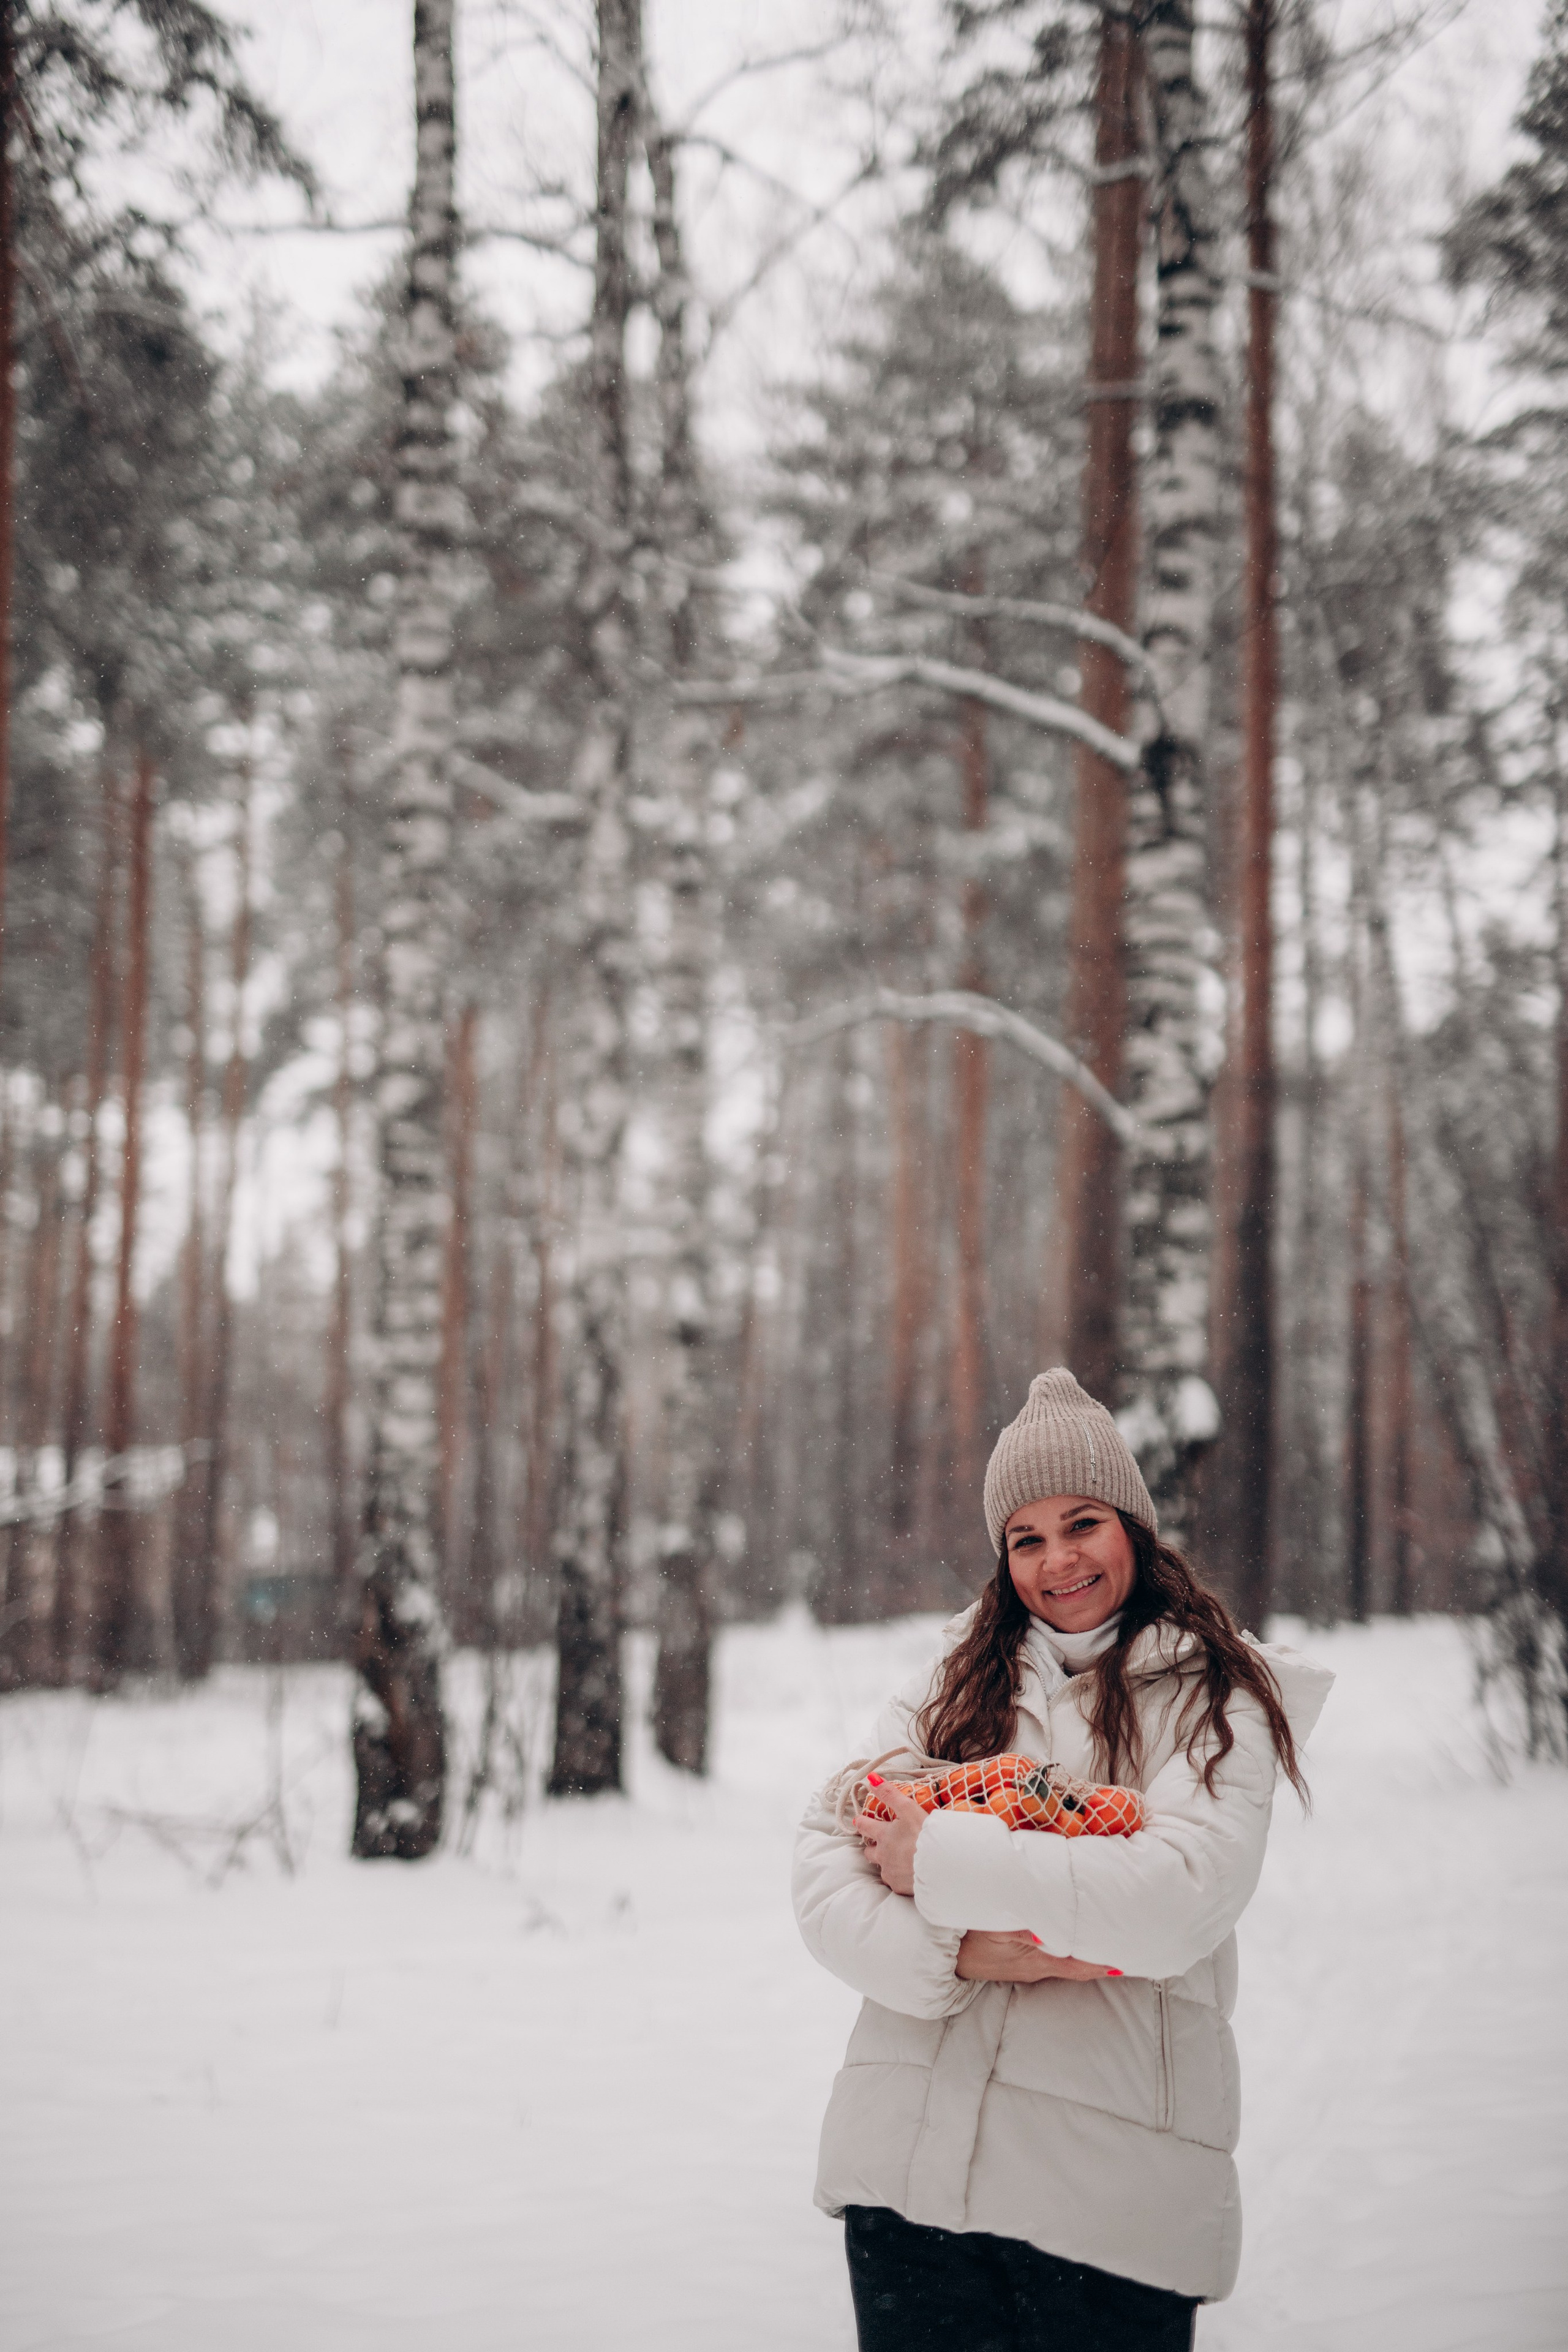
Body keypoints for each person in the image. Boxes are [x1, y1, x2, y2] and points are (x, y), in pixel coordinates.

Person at [793, 1368, 1333, 2352]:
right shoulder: (949, 1683)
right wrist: (969, 1953)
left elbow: (1176, 1900)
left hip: (1105, 2210)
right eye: (1025, 1538)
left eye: (1082, 1523)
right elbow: (826, 1866)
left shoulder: (1217, 1697)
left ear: (1133, 1523)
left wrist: (941, 1862)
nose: (1057, 1562)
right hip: (908, 2188)